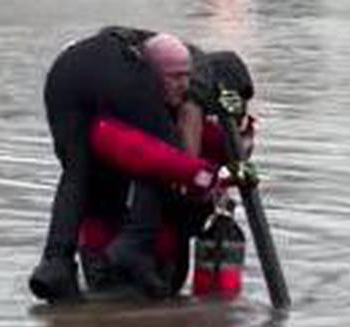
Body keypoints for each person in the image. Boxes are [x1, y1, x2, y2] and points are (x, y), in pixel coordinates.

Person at [29, 27, 217, 302]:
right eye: (176, 77)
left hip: (63, 75)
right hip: (110, 70)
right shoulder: (190, 70)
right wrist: (200, 186)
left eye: (185, 77)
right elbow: (176, 152)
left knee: (77, 173)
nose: (183, 84)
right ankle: (135, 245)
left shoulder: (143, 49)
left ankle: (55, 263)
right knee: (161, 156)